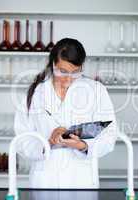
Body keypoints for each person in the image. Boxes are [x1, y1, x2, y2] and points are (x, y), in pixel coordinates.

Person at [14, 38, 117, 189]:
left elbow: (109, 136)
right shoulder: (36, 94)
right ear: (53, 64)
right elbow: (22, 140)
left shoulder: (96, 91)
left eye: (75, 72)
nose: (69, 79)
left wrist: (82, 145)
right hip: (45, 180)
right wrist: (48, 143)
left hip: (81, 180)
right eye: (63, 71)